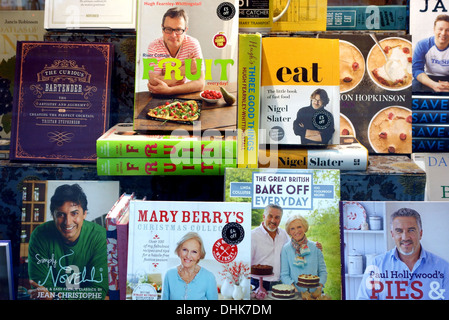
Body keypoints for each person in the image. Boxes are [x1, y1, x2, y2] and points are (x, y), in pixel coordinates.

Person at [27, 184, 108, 300]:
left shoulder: (100, 237)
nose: (68, 222)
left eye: (74, 213)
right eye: (60, 214)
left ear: (84, 214)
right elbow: (41, 290)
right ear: (53, 215)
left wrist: (55, 297)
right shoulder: (39, 235)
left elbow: (99, 291)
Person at [357, 208, 449, 300]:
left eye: (411, 230)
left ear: (420, 233)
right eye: (399, 231)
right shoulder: (377, 265)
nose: (405, 237)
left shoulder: (443, 268)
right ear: (392, 234)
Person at [147, 7, 205, 95]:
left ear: (185, 30)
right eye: (168, 29)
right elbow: (154, 83)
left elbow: (200, 84)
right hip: (160, 95)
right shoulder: (154, 47)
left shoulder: (193, 44)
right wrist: (183, 70)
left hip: (183, 94)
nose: (173, 35)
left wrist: (169, 90)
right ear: (162, 29)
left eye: (178, 30)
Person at [162, 232, 218, 300]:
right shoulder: (169, 275)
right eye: (185, 250)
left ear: (199, 255)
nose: (188, 256)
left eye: (194, 252)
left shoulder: (209, 277)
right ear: (179, 251)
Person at [280, 214, 327, 294]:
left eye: (299, 227)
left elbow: (323, 272)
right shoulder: (286, 249)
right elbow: (284, 275)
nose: (297, 231)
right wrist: (296, 292)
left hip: (315, 293)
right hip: (295, 293)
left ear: (305, 228)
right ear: (289, 231)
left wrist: (318, 289)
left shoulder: (315, 247)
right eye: (292, 228)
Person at [251, 204, 289, 291]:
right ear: (264, 216)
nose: (273, 220)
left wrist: (314, 245)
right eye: (270, 216)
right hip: (258, 283)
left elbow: (295, 248)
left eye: (277, 217)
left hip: (280, 283)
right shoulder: (252, 236)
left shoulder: (284, 235)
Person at [412, 14, 449, 92]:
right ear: (434, 29)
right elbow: (416, 70)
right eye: (440, 29)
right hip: (429, 78)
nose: (443, 33)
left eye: (447, 30)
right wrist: (434, 85)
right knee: (413, 87)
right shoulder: (422, 45)